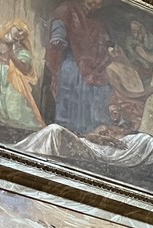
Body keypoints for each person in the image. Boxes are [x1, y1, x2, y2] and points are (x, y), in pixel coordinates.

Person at [46, 0, 114, 134]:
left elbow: (106, 44)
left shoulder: (97, 24)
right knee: (70, 87)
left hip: (92, 66)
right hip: (72, 61)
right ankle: (65, 129)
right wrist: (58, 35)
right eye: (93, 1)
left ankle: (88, 130)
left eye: (98, 4)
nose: (94, 5)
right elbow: (59, 23)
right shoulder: (68, 9)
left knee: (99, 89)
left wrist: (109, 51)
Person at [0, 20, 44, 129]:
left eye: (23, 33)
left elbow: (25, 69)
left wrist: (11, 52)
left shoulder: (22, 49)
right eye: (19, 29)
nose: (20, 34)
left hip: (11, 80)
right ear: (11, 26)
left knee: (14, 106)